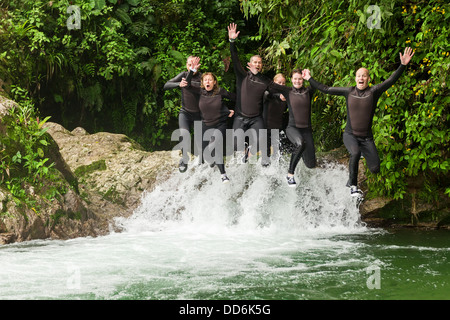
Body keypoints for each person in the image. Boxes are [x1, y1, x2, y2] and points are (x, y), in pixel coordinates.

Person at [302, 47, 415, 196]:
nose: (361, 78)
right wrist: (309, 78)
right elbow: (326, 89)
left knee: (375, 168)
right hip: (350, 135)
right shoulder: (348, 92)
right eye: (358, 76)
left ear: (368, 79)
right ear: (355, 78)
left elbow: (391, 80)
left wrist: (403, 65)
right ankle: (353, 185)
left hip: (367, 138)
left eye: (364, 76)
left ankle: (354, 172)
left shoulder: (374, 92)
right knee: (354, 153)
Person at [184, 57, 236, 183]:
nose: (208, 82)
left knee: (214, 145)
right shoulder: (199, 91)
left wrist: (234, 110)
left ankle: (223, 174)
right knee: (203, 151)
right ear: (202, 82)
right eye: (205, 80)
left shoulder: (220, 91)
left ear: (214, 82)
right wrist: (191, 71)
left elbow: (237, 98)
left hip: (220, 124)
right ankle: (210, 167)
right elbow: (186, 84)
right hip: (205, 125)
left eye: (210, 80)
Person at [228, 23, 272, 166]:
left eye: (259, 63)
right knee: (235, 144)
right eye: (255, 62)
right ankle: (244, 152)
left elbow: (276, 91)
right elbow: (235, 59)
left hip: (256, 119)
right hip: (240, 117)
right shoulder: (242, 76)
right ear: (249, 64)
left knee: (260, 141)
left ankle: (248, 154)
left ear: (262, 66)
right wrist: (232, 42)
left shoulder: (265, 81)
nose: (257, 64)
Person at [266, 69, 317, 187]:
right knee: (300, 144)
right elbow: (270, 84)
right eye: (295, 79)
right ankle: (290, 175)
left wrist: (309, 77)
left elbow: (317, 86)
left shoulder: (308, 91)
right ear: (291, 80)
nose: (297, 81)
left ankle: (301, 156)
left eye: (300, 79)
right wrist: (256, 74)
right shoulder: (287, 91)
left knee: (310, 164)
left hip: (307, 130)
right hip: (292, 128)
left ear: (302, 80)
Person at [163, 56, 202, 173]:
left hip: (199, 114)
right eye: (189, 64)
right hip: (185, 113)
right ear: (186, 65)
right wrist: (178, 84)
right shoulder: (183, 75)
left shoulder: (203, 78)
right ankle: (184, 159)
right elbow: (166, 85)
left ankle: (203, 161)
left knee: (201, 140)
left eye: (193, 65)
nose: (191, 67)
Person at [262, 73, 289, 161]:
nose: (281, 85)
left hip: (277, 129)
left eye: (283, 83)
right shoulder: (269, 90)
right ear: (274, 82)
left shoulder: (286, 94)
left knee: (278, 156)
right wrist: (278, 96)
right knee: (266, 156)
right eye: (279, 82)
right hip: (265, 128)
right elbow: (268, 95)